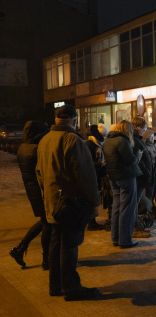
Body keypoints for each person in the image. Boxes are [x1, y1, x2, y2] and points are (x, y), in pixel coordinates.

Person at [36, 105, 100, 300]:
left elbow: (39, 172)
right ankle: (71, 288)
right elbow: (85, 175)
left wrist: (47, 194)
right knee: (70, 245)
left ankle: (55, 285)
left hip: (52, 202)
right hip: (69, 203)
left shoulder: (44, 140)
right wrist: (94, 202)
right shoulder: (72, 140)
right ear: (73, 119)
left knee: (56, 244)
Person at [10, 121, 50, 269]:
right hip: (39, 190)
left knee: (44, 222)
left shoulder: (23, 147)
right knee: (47, 225)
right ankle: (46, 260)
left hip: (32, 190)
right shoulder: (35, 148)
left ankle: (20, 249)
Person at [103, 120, 142, 248]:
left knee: (117, 207)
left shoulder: (108, 140)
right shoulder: (122, 141)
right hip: (126, 177)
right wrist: (137, 155)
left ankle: (115, 238)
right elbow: (130, 160)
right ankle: (125, 240)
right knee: (127, 209)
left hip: (113, 177)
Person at [131, 116, 153, 238]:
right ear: (138, 128)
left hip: (141, 176)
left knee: (136, 202)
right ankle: (134, 228)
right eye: (144, 128)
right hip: (139, 177)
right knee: (135, 203)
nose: (145, 130)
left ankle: (136, 226)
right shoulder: (134, 140)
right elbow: (138, 160)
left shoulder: (136, 139)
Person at [86, 124, 106, 231]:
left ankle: (92, 221)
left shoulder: (96, 144)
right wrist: (100, 164)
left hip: (96, 175)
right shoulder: (90, 144)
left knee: (94, 198)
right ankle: (91, 222)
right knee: (91, 199)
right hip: (92, 176)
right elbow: (88, 162)